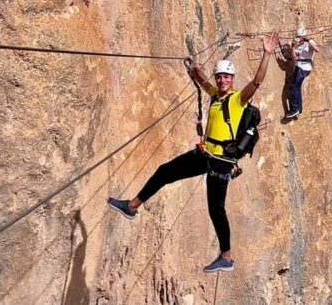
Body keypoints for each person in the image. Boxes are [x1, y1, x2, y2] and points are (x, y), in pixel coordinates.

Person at [107, 33, 280, 273]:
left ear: (232, 79)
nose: (221, 80)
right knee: (165, 171)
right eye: (219, 76)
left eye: (226, 77)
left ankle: (227, 257)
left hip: (221, 161)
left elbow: (257, 82)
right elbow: (204, 83)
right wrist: (194, 68)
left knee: (215, 208)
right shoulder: (215, 97)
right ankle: (132, 206)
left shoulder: (238, 100)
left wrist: (266, 54)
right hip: (205, 155)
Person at [285, 28, 320, 119]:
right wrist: (293, 46)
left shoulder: (310, 42)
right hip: (298, 67)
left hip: (304, 68)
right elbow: (294, 57)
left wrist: (307, 41)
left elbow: (317, 50)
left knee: (293, 87)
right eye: (298, 37)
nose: (299, 38)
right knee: (297, 88)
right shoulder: (298, 45)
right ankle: (299, 109)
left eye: (301, 37)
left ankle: (294, 108)